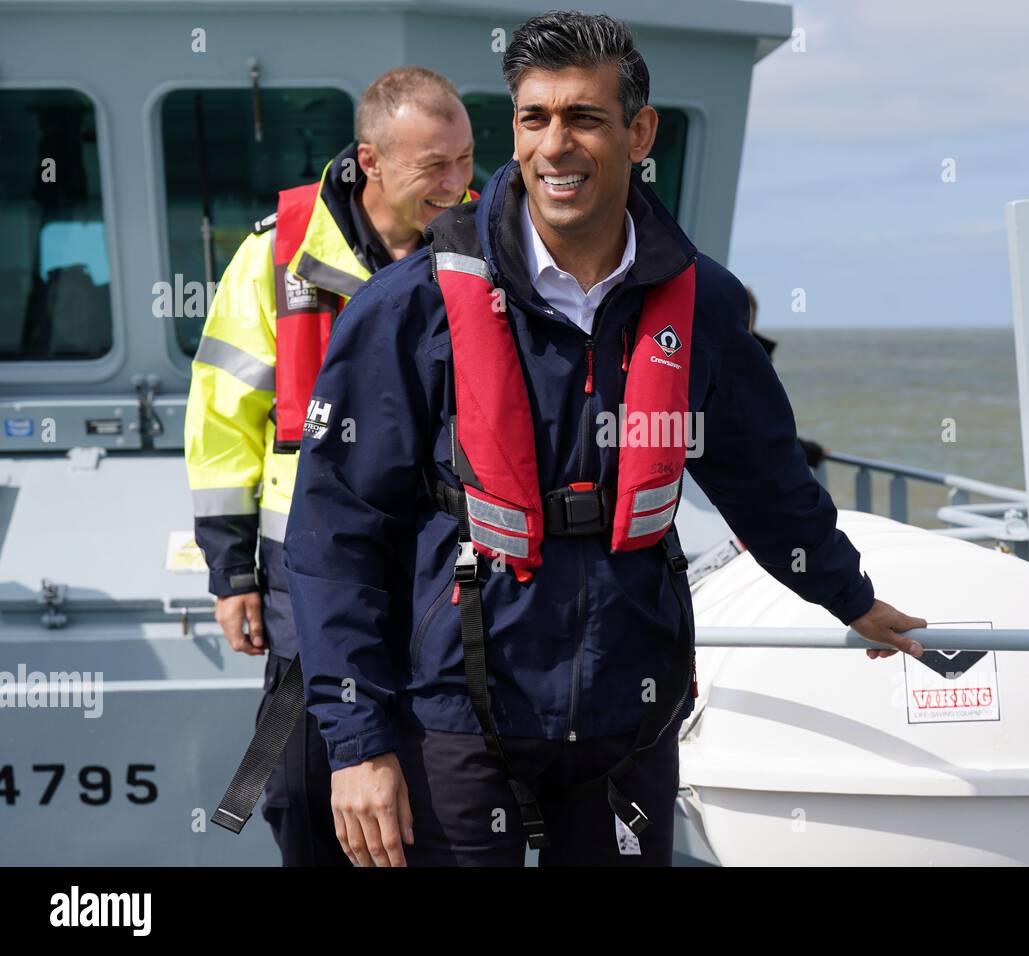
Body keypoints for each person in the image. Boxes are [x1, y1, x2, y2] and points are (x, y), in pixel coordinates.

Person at [284, 11, 927, 868]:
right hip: (458, 714)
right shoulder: (411, 307)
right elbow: (337, 534)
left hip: (631, 711)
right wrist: (359, 741)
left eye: (584, 118)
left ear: (639, 132)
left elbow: (765, 480)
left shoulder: (701, 305)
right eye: (534, 118)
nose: (556, 145)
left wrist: (848, 597)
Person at [183, 66, 476, 866]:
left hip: (446, 577)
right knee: (306, 796)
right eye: (434, 169)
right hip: (306, 573)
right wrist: (230, 573)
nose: (458, 187)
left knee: (441, 798)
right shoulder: (273, 256)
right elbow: (223, 414)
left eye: (466, 162)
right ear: (372, 160)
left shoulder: (490, 247)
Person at [744, 284, 829, 469]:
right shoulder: (735, 363)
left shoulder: (757, 360)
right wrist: (807, 451)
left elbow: (762, 422)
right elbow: (752, 427)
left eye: (746, 316)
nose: (741, 322)